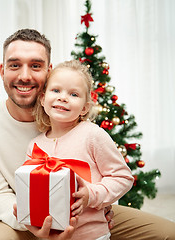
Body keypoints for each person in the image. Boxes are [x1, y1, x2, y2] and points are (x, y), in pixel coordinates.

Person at [0, 28, 175, 240]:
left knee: (169, 233)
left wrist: (100, 203)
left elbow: (107, 172)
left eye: (36, 66)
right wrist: (30, 220)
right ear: (2, 70)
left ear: (48, 71)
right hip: (26, 216)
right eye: (15, 65)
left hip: (85, 214)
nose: (25, 75)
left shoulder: (71, 115)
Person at [25, 59, 133, 240]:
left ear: (84, 108)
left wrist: (91, 195)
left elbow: (123, 177)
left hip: (92, 235)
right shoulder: (34, 145)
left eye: (73, 94)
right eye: (56, 90)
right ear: (43, 99)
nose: (63, 97)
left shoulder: (93, 136)